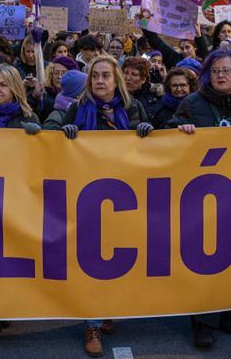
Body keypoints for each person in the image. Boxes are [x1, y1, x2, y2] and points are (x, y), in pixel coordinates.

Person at [165, 49, 231, 348]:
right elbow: (168, 140)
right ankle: (201, 321)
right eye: (215, 71)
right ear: (207, 76)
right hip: (200, 197)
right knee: (203, 262)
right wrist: (178, 130)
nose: (221, 76)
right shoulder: (191, 104)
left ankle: (229, 313)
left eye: (226, 70)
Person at [55, 53, 150, 357]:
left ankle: (109, 308)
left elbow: (152, 148)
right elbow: (46, 135)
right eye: (95, 76)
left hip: (124, 196)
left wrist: (146, 131)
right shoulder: (76, 108)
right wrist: (63, 134)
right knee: (89, 261)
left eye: (105, 76)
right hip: (85, 196)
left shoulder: (133, 108)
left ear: (116, 79)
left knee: (116, 258)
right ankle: (91, 323)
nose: (99, 81)